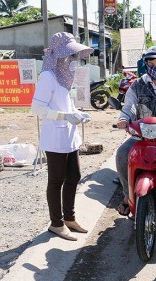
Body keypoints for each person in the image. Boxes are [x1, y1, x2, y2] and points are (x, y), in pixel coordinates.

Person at [30, 32, 93, 241]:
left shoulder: (64, 75)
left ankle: (69, 218)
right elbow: (37, 108)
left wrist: (77, 113)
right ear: (58, 55)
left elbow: (66, 101)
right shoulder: (48, 76)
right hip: (55, 137)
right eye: (68, 55)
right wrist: (64, 115)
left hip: (69, 136)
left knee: (74, 176)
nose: (72, 59)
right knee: (56, 181)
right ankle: (56, 224)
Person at [115, 44, 156, 216]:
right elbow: (130, 106)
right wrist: (123, 119)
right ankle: (128, 196)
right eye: (152, 64)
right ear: (146, 65)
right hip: (142, 137)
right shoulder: (138, 85)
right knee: (122, 154)